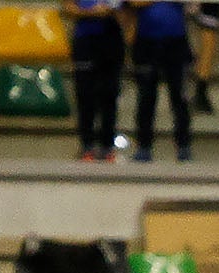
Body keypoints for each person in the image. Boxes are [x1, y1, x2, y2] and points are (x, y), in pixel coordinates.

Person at [126, 0, 192, 161]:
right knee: (146, 96)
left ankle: (183, 145)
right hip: (146, 41)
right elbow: (134, 3)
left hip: (176, 41)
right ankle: (144, 146)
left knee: (179, 96)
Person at [65, 0, 127, 160]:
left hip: (112, 39)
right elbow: (68, 8)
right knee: (85, 94)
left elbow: (126, 9)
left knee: (109, 94)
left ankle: (107, 146)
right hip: (86, 40)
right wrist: (93, 12)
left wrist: (112, 12)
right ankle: (87, 146)